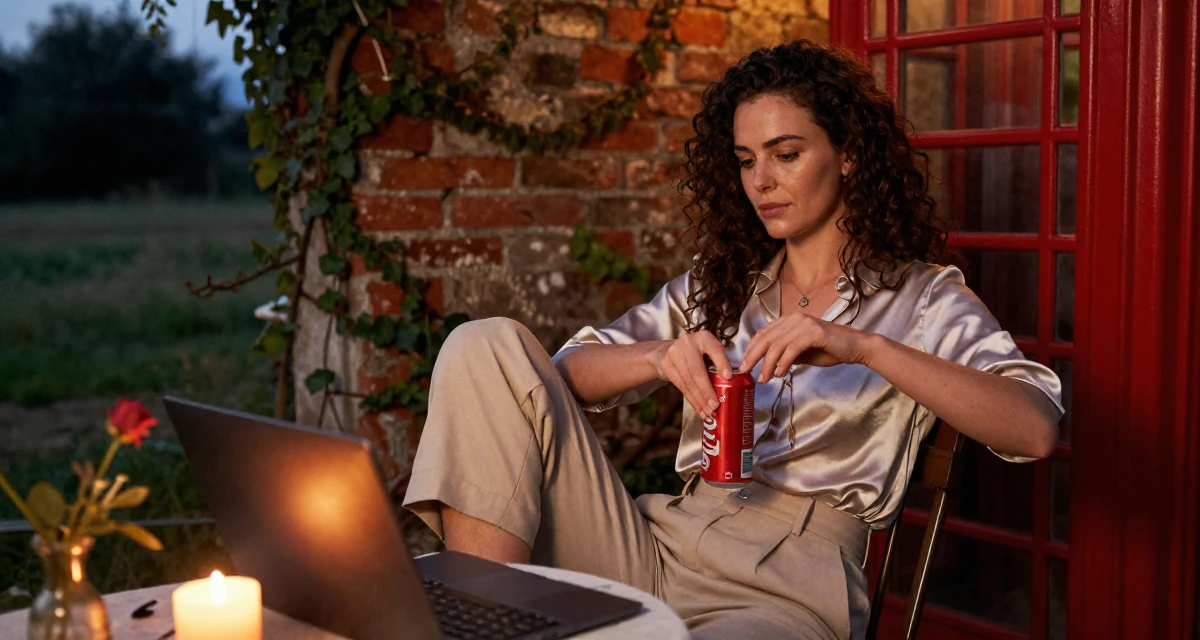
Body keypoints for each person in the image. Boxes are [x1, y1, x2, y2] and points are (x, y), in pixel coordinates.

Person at [402, 39, 1063, 640]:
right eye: (746, 160)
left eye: (787, 154)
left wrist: (865, 348)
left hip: (785, 592)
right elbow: (559, 371)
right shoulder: (719, 287)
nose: (761, 182)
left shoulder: (923, 299)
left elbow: (1034, 429)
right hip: (657, 545)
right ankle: (482, 621)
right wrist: (657, 356)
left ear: (851, 154)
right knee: (483, 343)